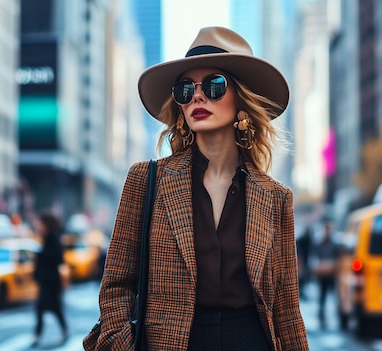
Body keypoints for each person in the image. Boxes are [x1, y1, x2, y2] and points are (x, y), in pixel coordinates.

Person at [92, 27, 308, 350]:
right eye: (184, 89)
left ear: (241, 98)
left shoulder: (276, 198)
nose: (197, 96)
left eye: (214, 85)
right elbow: (116, 286)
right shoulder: (146, 180)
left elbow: (287, 310)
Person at [31, 212, 68, 347]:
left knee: (51, 308)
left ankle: (39, 335)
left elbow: (58, 259)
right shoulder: (47, 238)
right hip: (47, 281)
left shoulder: (53, 238)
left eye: (39, 224)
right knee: (43, 308)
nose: (37, 226)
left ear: (46, 225)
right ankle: (38, 335)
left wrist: (39, 254)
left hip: (51, 282)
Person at [309, 218, 339, 328]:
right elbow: (314, 257)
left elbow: (337, 257)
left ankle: (334, 316)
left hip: (331, 273)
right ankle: (321, 316)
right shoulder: (318, 242)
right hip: (322, 273)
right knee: (322, 295)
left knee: (332, 295)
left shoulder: (334, 243)